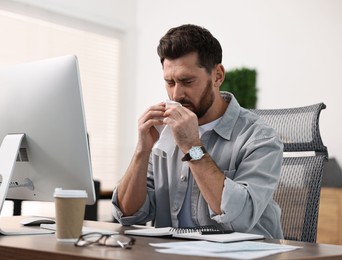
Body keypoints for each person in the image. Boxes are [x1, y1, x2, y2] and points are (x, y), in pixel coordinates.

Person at [111, 24, 284, 239]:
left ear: (217, 76)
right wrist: (142, 150)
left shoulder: (259, 137)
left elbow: (240, 218)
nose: (176, 94)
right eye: (170, 82)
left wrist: (192, 147)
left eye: (187, 81)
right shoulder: (164, 132)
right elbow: (128, 215)